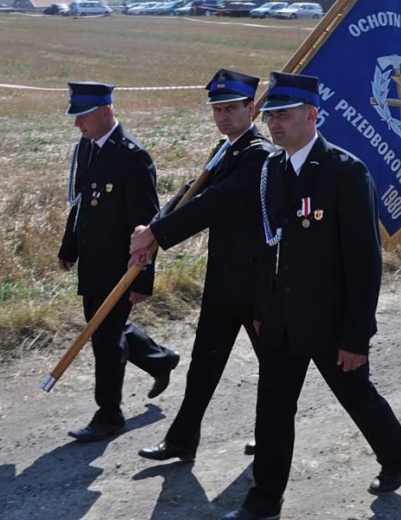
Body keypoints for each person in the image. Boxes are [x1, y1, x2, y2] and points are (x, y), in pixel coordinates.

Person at [221, 72, 401, 520]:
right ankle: (264, 500)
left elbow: (365, 264)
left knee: (356, 397)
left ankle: (397, 452)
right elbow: (267, 247)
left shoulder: (345, 173)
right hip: (281, 318)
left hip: (330, 320)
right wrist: (260, 309)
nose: (273, 125)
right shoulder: (272, 168)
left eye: (283, 116)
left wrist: (356, 337)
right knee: (272, 410)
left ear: (312, 115)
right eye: (270, 116)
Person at [130, 69, 276, 462]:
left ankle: (273, 439)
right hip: (224, 280)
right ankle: (181, 440)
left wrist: (157, 235)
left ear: (252, 108)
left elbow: (214, 204)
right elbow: (192, 194)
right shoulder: (225, 149)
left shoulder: (259, 157)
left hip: (258, 285)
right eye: (217, 110)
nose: (223, 117)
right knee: (204, 362)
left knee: (276, 370)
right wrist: (152, 229)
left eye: (231, 109)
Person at [58, 82, 180, 442]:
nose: (78, 124)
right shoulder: (86, 148)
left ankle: (109, 414)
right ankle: (159, 359)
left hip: (121, 267)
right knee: (103, 328)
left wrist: (142, 280)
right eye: (75, 116)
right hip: (93, 262)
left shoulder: (132, 156)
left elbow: (148, 221)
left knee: (105, 339)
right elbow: (81, 203)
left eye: (83, 116)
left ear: (106, 112)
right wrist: (69, 246)